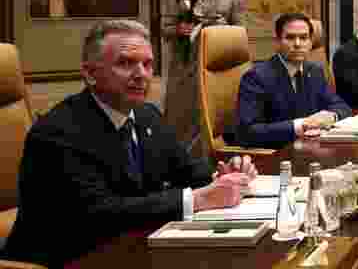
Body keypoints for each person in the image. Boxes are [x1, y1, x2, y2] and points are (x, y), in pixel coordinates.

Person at [3, 20, 256, 268]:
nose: (141, 74)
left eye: (148, 64)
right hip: (65, 257)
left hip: (131, 247)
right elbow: (101, 212)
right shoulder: (57, 132)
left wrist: (222, 175)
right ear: (90, 74)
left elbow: (186, 170)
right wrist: (197, 200)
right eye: (125, 64)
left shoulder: (148, 115)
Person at [163, 0, 245, 156]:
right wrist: (179, 29)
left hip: (219, 68)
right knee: (182, 114)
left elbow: (241, 36)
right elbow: (164, 28)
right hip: (185, 66)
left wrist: (221, 27)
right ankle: (179, 161)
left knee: (216, 114)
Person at [236, 12, 352, 148]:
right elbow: (248, 133)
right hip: (277, 155)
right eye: (290, 38)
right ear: (277, 42)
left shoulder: (314, 71)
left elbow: (343, 107)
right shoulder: (257, 77)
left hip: (310, 150)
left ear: (310, 43)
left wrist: (331, 116)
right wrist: (301, 125)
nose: (297, 44)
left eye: (304, 38)